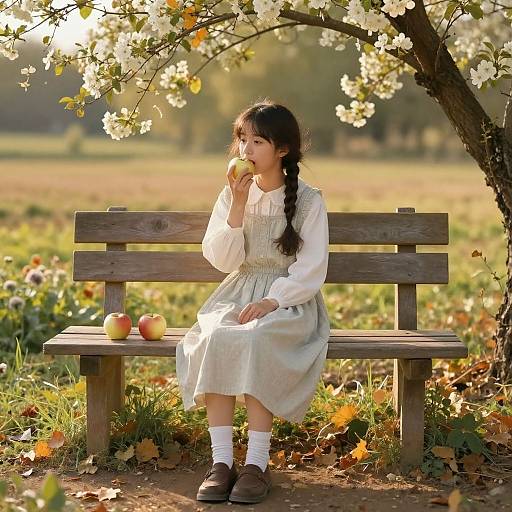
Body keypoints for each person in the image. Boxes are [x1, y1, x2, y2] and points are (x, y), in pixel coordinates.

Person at [176, 99, 330, 505]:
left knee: (258, 339)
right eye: (241, 139)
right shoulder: (231, 196)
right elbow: (223, 259)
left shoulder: (310, 201)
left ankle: (257, 464)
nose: (245, 150)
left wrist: (272, 302)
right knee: (218, 336)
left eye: (257, 141)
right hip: (238, 291)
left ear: (282, 150)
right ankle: (222, 463)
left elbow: (310, 269)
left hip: (288, 301)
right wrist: (239, 207)